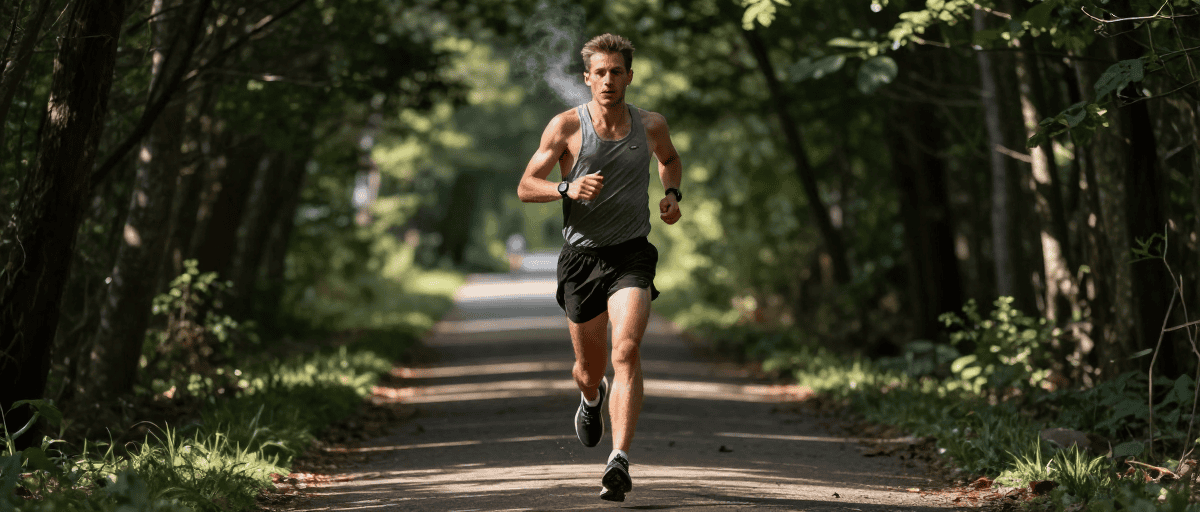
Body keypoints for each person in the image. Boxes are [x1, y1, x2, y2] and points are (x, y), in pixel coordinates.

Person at [517, 33, 682, 502]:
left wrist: (671, 195)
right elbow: (527, 185)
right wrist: (565, 190)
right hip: (581, 259)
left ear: (629, 76)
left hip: (632, 252)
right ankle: (591, 398)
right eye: (600, 72)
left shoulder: (650, 125)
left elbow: (669, 160)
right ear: (587, 78)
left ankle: (620, 460)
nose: (608, 80)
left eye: (617, 72)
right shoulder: (566, 126)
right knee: (589, 371)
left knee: (626, 351)